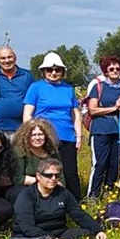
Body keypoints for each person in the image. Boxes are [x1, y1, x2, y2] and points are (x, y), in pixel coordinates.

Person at [23, 52, 82, 201]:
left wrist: (79, 135)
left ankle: (75, 203)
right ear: (43, 71)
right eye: (50, 69)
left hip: (67, 136)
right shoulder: (35, 87)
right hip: (44, 137)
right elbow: (27, 114)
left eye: (57, 70)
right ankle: (47, 202)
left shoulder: (68, 89)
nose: (54, 73)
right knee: (48, 171)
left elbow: (75, 114)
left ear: (62, 71)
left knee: (70, 172)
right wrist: (30, 134)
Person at [12, 158, 108, 239]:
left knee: (89, 236)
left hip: (59, 232)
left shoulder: (63, 193)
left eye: (56, 175)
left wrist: (98, 230)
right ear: (38, 176)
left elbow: (79, 215)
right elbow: (27, 227)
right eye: (48, 175)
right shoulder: (26, 196)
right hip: (32, 237)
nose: (53, 179)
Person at [87, 56, 120, 199]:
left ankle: (108, 194)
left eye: (118, 69)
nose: (115, 71)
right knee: (100, 164)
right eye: (111, 68)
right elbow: (92, 110)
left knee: (114, 164)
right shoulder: (98, 87)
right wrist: (113, 108)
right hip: (101, 130)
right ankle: (93, 196)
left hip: (119, 131)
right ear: (105, 70)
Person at [9, 118, 64, 204]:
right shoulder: (19, 151)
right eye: (33, 135)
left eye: (40, 134)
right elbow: (18, 178)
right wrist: (43, 182)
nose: (37, 138)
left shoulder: (52, 151)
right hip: (26, 187)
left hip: (51, 184)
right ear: (26, 136)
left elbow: (60, 174)